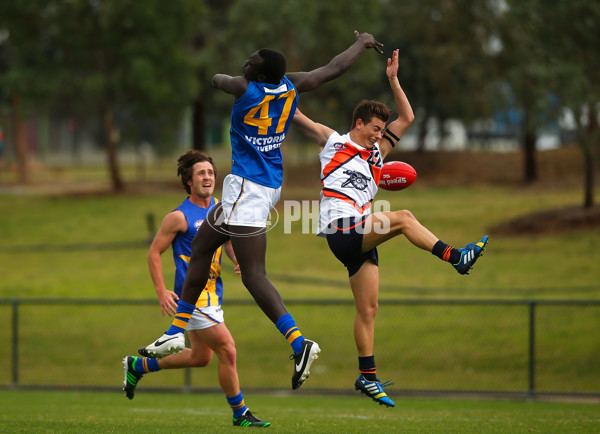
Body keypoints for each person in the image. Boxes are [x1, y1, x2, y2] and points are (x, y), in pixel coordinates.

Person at [139, 30, 384, 391]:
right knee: (202, 249)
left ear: (259, 73)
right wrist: (361, 43)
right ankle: (176, 331)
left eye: (252, 61)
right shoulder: (291, 85)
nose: (247, 61)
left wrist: (224, 77)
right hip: (266, 185)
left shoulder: (245, 89)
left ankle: (300, 343)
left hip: (247, 191)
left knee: (253, 274)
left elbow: (218, 80)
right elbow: (332, 69)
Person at [291, 49, 489, 407]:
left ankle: (367, 377)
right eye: (375, 129)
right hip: (340, 227)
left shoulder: (377, 153)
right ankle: (457, 256)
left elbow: (408, 116)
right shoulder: (333, 141)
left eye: (383, 131)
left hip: (361, 232)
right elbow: (296, 115)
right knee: (404, 217)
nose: (379, 136)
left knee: (368, 310)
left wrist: (394, 79)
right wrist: (274, 89)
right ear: (358, 124)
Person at [122, 150, 269, 428]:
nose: (208, 177)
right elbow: (153, 253)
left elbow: (226, 243)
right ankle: (241, 414)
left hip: (214, 294)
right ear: (189, 181)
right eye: (201, 173)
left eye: (211, 173)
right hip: (194, 298)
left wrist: (240, 261)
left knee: (202, 357)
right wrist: (161, 291)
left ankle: (137, 366)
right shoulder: (178, 216)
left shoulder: (221, 208)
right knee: (228, 350)